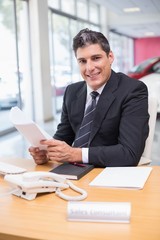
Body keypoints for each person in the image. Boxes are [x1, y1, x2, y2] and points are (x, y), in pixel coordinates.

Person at [29, 28, 149, 167]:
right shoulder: (72, 91)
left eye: (96, 58)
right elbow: (63, 137)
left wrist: (76, 154)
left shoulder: (133, 90)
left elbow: (129, 154)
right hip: (74, 173)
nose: (89, 67)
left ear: (110, 57)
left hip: (110, 173)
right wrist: (47, 152)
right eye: (82, 61)